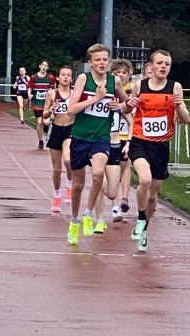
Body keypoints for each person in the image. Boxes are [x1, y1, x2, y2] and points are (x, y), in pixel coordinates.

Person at [125, 49, 190, 252]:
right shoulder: (139, 86)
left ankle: (144, 226)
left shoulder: (174, 87)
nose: (163, 67)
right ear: (151, 66)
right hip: (140, 142)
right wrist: (129, 103)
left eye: (167, 64)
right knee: (144, 180)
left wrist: (178, 107)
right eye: (160, 63)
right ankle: (140, 220)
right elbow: (127, 110)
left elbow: (186, 119)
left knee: (153, 195)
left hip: (161, 146)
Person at [66, 44, 131, 245]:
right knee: (77, 185)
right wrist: (95, 98)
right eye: (98, 60)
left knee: (97, 174)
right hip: (80, 136)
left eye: (105, 59)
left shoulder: (114, 81)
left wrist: (119, 105)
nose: (102, 63)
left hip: (102, 137)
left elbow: (127, 105)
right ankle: (75, 220)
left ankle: (88, 213)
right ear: (90, 63)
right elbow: (71, 109)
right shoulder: (84, 79)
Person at [42, 66, 74, 213]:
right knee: (56, 169)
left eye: (68, 75)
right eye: (63, 75)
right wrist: (52, 109)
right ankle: (56, 194)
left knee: (68, 160)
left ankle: (69, 184)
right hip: (56, 129)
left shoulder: (75, 94)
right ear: (58, 77)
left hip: (70, 129)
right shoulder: (51, 93)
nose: (66, 77)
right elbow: (45, 115)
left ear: (71, 78)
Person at [110, 58, 134, 217]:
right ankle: (115, 204)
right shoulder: (109, 87)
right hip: (111, 135)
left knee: (125, 167)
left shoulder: (134, 88)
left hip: (128, 133)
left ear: (129, 74)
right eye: (117, 73)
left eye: (123, 73)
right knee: (112, 170)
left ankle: (124, 198)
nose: (120, 75)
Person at [28, 60, 56, 149]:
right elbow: (30, 87)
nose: (44, 67)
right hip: (37, 104)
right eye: (43, 65)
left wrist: (54, 97)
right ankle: (40, 141)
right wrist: (29, 94)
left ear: (47, 68)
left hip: (46, 105)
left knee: (46, 122)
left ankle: (47, 127)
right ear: (39, 66)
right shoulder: (34, 77)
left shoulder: (50, 78)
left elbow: (54, 87)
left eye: (46, 66)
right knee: (39, 122)